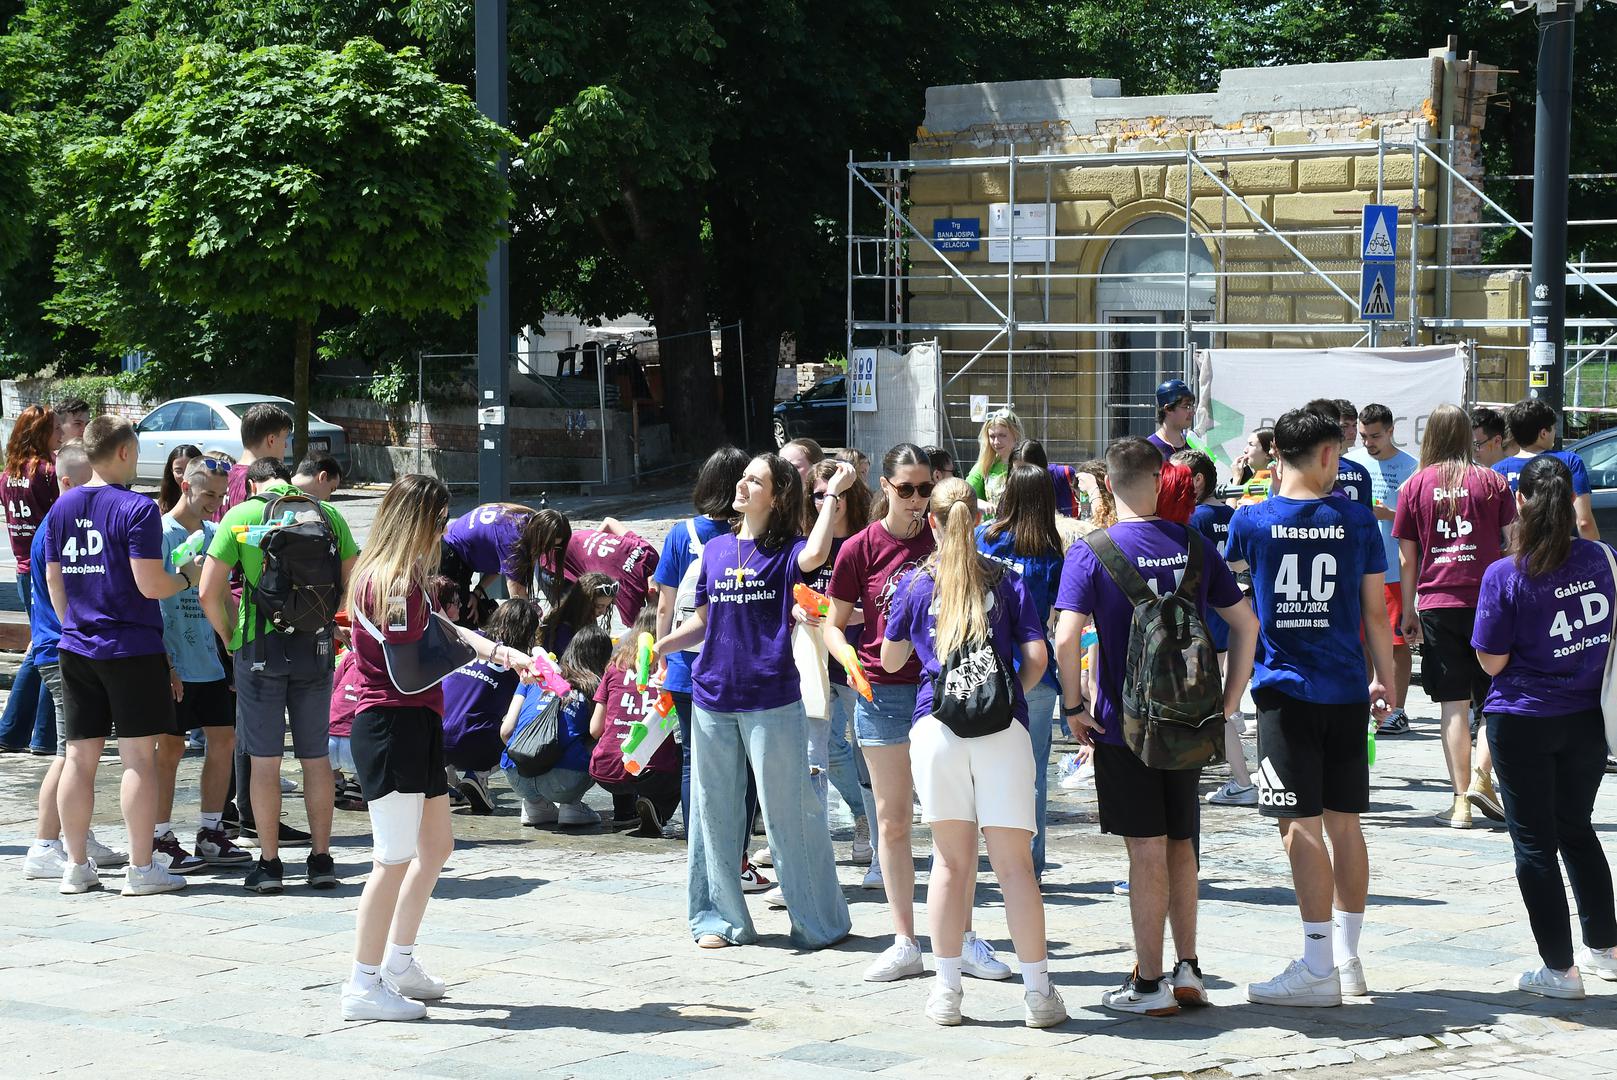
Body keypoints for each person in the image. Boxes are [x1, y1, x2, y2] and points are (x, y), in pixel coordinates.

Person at [1053, 437, 1255, 1015]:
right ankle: (1187, 968)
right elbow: (1246, 624)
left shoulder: (1092, 551)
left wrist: (1073, 706)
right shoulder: (1192, 543)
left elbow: (1066, 636)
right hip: (1189, 719)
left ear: (1109, 484)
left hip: (1125, 726)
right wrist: (1230, 700)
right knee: (1182, 843)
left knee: (1144, 848)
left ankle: (1147, 985)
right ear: (1159, 477)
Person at [339, 474, 545, 1022]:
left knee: (436, 846)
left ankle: (400, 962)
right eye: (439, 519)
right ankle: (363, 982)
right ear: (419, 521)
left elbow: (441, 631)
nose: (444, 531)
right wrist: (480, 656)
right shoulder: (392, 581)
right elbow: (412, 668)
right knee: (392, 857)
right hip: (391, 724)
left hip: (415, 724)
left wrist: (500, 652)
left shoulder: (399, 577)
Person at [652, 452, 854, 951]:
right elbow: (705, 620)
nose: (742, 485)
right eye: (743, 478)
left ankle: (818, 922)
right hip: (712, 696)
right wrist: (665, 645)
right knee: (712, 813)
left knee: (791, 814)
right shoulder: (717, 549)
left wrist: (830, 495)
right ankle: (720, 919)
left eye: (755, 480)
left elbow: (818, 553)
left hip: (771, 697)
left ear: (777, 495)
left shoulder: (788, 550)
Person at [1226, 405, 1393, 1008]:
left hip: (1286, 691)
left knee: (1298, 824)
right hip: (1346, 687)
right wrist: (1388, 682)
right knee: (1345, 822)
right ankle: (1348, 959)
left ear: (1277, 456)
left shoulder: (1253, 521)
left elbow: (1231, 594)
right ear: (1327, 455)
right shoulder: (1355, 519)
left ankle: (1318, 962)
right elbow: (1376, 614)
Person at [884, 477, 1067, 1028]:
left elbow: (892, 661)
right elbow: (1036, 655)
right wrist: (1012, 692)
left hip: (936, 728)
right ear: (979, 520)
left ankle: (946, 994)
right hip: (1001, 728)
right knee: (1014, 870)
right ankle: (1038, 995)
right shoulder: (1006, 580)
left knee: (948, 862)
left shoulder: (916, 585)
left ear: (931, 523)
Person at [829, 443, 1011, 981]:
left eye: (924, 489)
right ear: (884, 487)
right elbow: (833, 626)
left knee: (958, 820)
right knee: (893, 821)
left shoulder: (947, 541)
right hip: (882, 692)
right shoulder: (859, 548)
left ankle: (965, 936)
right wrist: (850, 666)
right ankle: (904, 939)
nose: (914, 499)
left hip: (947, 693)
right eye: (904, 488)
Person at [1471, 455, 1617, 998]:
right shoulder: (1605, 559)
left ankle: (1560, 970)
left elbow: (1490, 661)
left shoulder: (1507, 573)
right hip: (1587, 719)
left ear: (1522, 502)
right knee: (1577, 829)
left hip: (1523, 719)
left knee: (1534, 844)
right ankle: (1605, 947)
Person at [45, 417, 203, 897]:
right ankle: (140, 869)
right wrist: (189, 577)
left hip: (77, 645)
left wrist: (78, 621)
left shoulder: (62, 506)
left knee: (79, 758)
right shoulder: (137, 508)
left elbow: (55, 582)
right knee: (138, 757)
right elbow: (150, 584)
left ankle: (75, 866)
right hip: (131, 646)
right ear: (124, 453)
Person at [201, 447, 359, 893]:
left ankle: (269, 865)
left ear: (252, 485)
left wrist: (232, 638)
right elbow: (353, 578)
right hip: (317, 649)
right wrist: (330, 623)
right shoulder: (327, 515)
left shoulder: (240, 516)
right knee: (316, 760)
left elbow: (209, 592)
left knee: (265, 763)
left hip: (259, 649)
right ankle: (322, 860)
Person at [1393, 404, 1514, 829]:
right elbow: (1510, 545)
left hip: (1437, 601)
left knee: (1453, 704)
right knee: (1495, 695)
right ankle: (1483, 775)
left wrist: (1409, 610)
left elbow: (1408, 559)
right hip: (1490, 601)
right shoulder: (1492, 482)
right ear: (1466, 435)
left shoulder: (1414, 485)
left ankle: (1461, 800)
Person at [21, 443, 129, 881]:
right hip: (63, 647)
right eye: (88, 481)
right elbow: (57, 586)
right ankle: (49, 844)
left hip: (64, 644)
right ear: (66, 483)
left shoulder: (63, 520)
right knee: (73, 752)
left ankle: (64, 839)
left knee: (76, 751)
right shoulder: (59, 523)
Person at [155, 455, 249, 871]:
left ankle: (211, 832)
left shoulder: (215, 533)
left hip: (210, 659)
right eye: (209, 493)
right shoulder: (160, 532)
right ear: (185, 486)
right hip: (173, 656)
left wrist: (236, 642)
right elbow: (149, 599)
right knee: (170, 748)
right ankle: (158, 837)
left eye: (221, 494)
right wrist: (165, 664)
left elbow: (224, 593)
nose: (216, 501)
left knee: (224, 739)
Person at [975, 463, 1065, 878]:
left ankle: (984, 860)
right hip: (1035, 671)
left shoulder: (983, 538)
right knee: (1033, 774)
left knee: (978, 771)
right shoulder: (1049, 551)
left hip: (981, 669)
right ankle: (1029, 864)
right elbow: (1057, 615)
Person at [654, 446, 750, 835]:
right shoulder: (748, 533)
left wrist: (662, 655)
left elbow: (665, 605)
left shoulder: (682, 534)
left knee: (693, 758)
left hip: (684, 663)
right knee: (739, 759)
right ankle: (737, 846)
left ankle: (699, 843)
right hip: (735, 662)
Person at [1175, 449, 1257, 807]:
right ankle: (1237, 765)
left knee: (1211, 705)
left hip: (1205, 616)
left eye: (1176, 479)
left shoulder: (1193, 519)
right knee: (1222, 700)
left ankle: (1241, 777)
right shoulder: (1230, 513)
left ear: (1196, 480)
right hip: (1232, 611)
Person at [1348, 403, 1418, 734]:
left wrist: (1390, 515)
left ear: (1391, 431)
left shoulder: (1410, 467)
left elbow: (1418, 521)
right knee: (1361, 640)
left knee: (1396, 643)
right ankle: (1368, 702)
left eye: (1375, 436)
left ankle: (1398, 708)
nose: (1368, 442)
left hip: (1391, 568)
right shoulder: (1354, 464)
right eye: (1363, 436)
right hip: (1356, 569)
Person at [500, 626, 612, 827]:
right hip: (564, 780)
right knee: (600, 738)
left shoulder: (534, 676)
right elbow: (597, 732)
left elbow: (506, 731)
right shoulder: (596, 687)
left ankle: (534, 805)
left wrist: (531, 756)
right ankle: (571, 806)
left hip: (516, 772)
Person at [0, 403, 62, 753]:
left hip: (24, 569)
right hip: (46, 568)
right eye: (54, 428)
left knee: (42, 645)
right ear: (40, 433)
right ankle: (33, 733)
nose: (60, 433)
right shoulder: (47, 472)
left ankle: (24, 733)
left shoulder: (7, 473)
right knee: (47, 648)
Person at [441, 598, 543, 813]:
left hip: (435, 736)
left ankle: (444, 777)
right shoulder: (519, 664)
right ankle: (478, 775)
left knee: (456, 712)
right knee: (514, 726)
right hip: (475, 742)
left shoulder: (472, 640)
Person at [588, 607, 683, 836]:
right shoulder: (670, 671)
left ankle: (623, 811)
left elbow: (594, 729)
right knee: (683, 756)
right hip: (650, 771)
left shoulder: (615, 667)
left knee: (617, 740)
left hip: (606, 769)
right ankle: (658, 809)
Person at [1493, 398, 1599, 541]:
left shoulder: (1497, 471)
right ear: (1544, 433)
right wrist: (1596, 554)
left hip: (1519, 554)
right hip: (1564, 552)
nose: (1555, 432)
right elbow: (1584, 522)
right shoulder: (1570, 461)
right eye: (1554, 428)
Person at [441, 503, 571, 619]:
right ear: (539, 533)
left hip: (458, 549)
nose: (546, 550)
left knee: (470, 612)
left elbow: (502, 565)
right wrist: (532, 619)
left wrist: (478, 591)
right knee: (459, 618)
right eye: (547, 545)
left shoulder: (527, 518)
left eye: (555, 547)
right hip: (450, 552)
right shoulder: (515, 538)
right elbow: (518, 596)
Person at [554, 518, 660, 630]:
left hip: (578, 536)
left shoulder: (650, 553)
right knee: (573, 623)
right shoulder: (628, 592)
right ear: (652, 591)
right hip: (554, 563)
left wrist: (594, 548)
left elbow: (609, 522)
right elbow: (639, 633)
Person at [218, 402, 292, 520]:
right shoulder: (262, 482)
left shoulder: (223, 474)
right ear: (271, 440)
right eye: (284, 439)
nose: (286, 445)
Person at [1308, 399, 1371, 505]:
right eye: (1344, 426)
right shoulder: (1313, 467)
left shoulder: (1360, 464)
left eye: (1354, 425)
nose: (1352, 432)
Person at [539, 571, 615, 655]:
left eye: (607, 606)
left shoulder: (583, 620)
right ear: (584, 603)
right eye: (599, 606)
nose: (604, 612)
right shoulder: (563, 632)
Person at [965, 408, 1024, 512]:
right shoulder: (985, 464)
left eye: (1002, 435)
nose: (996, 442)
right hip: (992, 526)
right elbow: (963, 493)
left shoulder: (1027, 464)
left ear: (1016, 434)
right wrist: (979, 502)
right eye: (992, 436)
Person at [1010, 438, 1082, 520]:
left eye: (1026, 471)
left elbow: (1086, 507)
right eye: (1016, 471)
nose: (1021, 476)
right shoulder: (1014, 486)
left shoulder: (1064, 475)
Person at [1149, 379, 1195, 459]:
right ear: (1168, 409)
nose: (1192, 412)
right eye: (1186, 407)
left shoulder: (1192, 444)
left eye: (1192, 406)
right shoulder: (1150, 448)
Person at [158, 443, 203, 514]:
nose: (185, 476)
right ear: (171, 471)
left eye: (190, 469)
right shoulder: (165, 501)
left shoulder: (211, 498)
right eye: (178, 471)